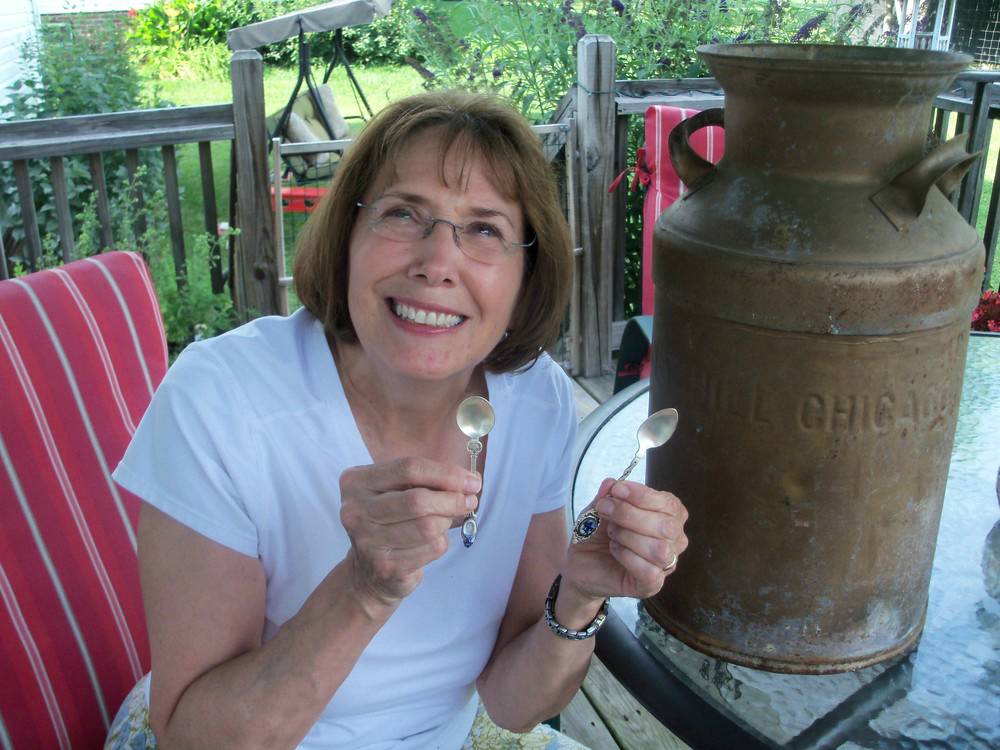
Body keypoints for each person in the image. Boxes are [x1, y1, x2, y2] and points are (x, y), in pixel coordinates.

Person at [106, 90, 688, 750]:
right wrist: (363, 589)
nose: (436, 265)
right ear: (346, 236)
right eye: (403, 214)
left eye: (484, 229)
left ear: (527, 274)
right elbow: (194, 738)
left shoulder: (537, 400)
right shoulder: (221, 402)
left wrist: (578, 595)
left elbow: (514, 703)